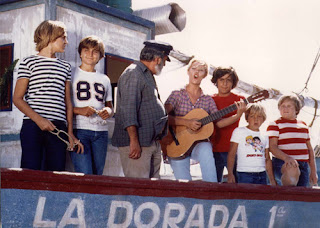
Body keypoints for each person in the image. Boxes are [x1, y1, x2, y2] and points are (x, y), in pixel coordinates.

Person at [13, 20, 83, 171]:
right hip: (33, 125)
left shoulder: (65, 67)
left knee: (56, 172)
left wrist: (69, 132)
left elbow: (68, 103)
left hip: (58, 127)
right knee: (30, 172)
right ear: (51, 37)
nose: (66, 42)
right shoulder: (28, 62)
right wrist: (39, 120)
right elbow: (17, 98)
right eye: (63, 37)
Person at [164, 60, 246, 182]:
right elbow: (163, 117)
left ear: (205, 75)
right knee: (185, 185)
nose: (196, 72)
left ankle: (211, 187)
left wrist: (237, 115)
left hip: (197, 146)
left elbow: (217, 122)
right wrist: (186, 123)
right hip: (176, 145)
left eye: (201, 70)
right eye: (194, 69)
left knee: (206, 147)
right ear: (188, 71)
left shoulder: (207, 100)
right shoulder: (177, 94)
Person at [112, 40, 173, 179]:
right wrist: (133, 141)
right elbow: (128, 110)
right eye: (164, 61)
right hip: (137, 144)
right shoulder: (133, 73)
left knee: (151, 191)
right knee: (138, 189)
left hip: (150, 142)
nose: (164, 65)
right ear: (157, 59)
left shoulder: (145, 74)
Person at [70, 35, 113, 175]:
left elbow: (109, 106)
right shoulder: (71, 74)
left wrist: (108, 111)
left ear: (101, 56)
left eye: (95, 51)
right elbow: (61, 103)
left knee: (98, 174)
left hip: (101, 132)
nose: (90, 54)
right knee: (84, 174)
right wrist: (78, 110)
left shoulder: (104, 79)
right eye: (86, 50)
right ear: (80, 53)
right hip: (79, 129)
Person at [267, 94, 318, 186]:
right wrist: (287, 158)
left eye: (289, 106)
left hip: (303, 165)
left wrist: (313, 171)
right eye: (282, 106)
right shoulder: (275, 124)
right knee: (291, 175)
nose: (285, 108)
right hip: (284, 163)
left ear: (297, 109)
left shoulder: (303, 125)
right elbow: (272, 147)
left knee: (302, 192)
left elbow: (310, 149)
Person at [211, 67, 246, 182]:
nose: (225, 84)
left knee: (237, 182)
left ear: (233, 83)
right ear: (216, 81)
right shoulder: (209, 100)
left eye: (229, 80)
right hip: (212, 148)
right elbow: (216, 125)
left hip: (233, 149)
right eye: (221, 79)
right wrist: (237, 116)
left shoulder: (240, 100)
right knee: (213, 183)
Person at [227, 104, 276, 185]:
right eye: (252, 116)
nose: (256, 119)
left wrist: (272, 180)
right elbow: (231, 154)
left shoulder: (265, 135)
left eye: (259, 116)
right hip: (244, 174)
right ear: (247, 118)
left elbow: (267, 159)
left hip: (262, 174)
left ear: (263, 119)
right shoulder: (239, 131)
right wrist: (230, 173)